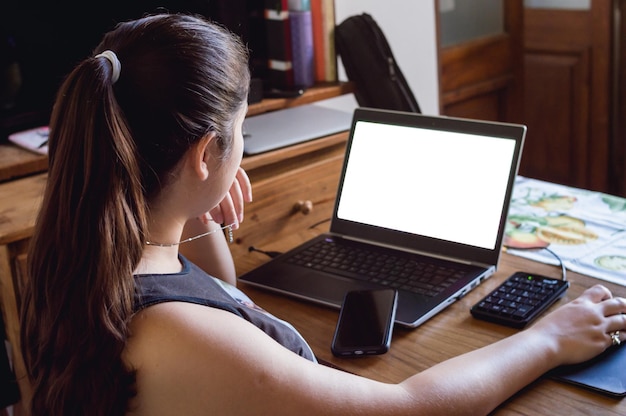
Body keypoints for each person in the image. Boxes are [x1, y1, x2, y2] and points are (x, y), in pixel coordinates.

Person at [20, 12, 626, 416]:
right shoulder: (174, 333)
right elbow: (411, 408)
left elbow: (221, 297)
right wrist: (549, 339)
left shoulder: (96, 247)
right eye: (242, 129)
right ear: (205, 154)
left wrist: (195, 212)